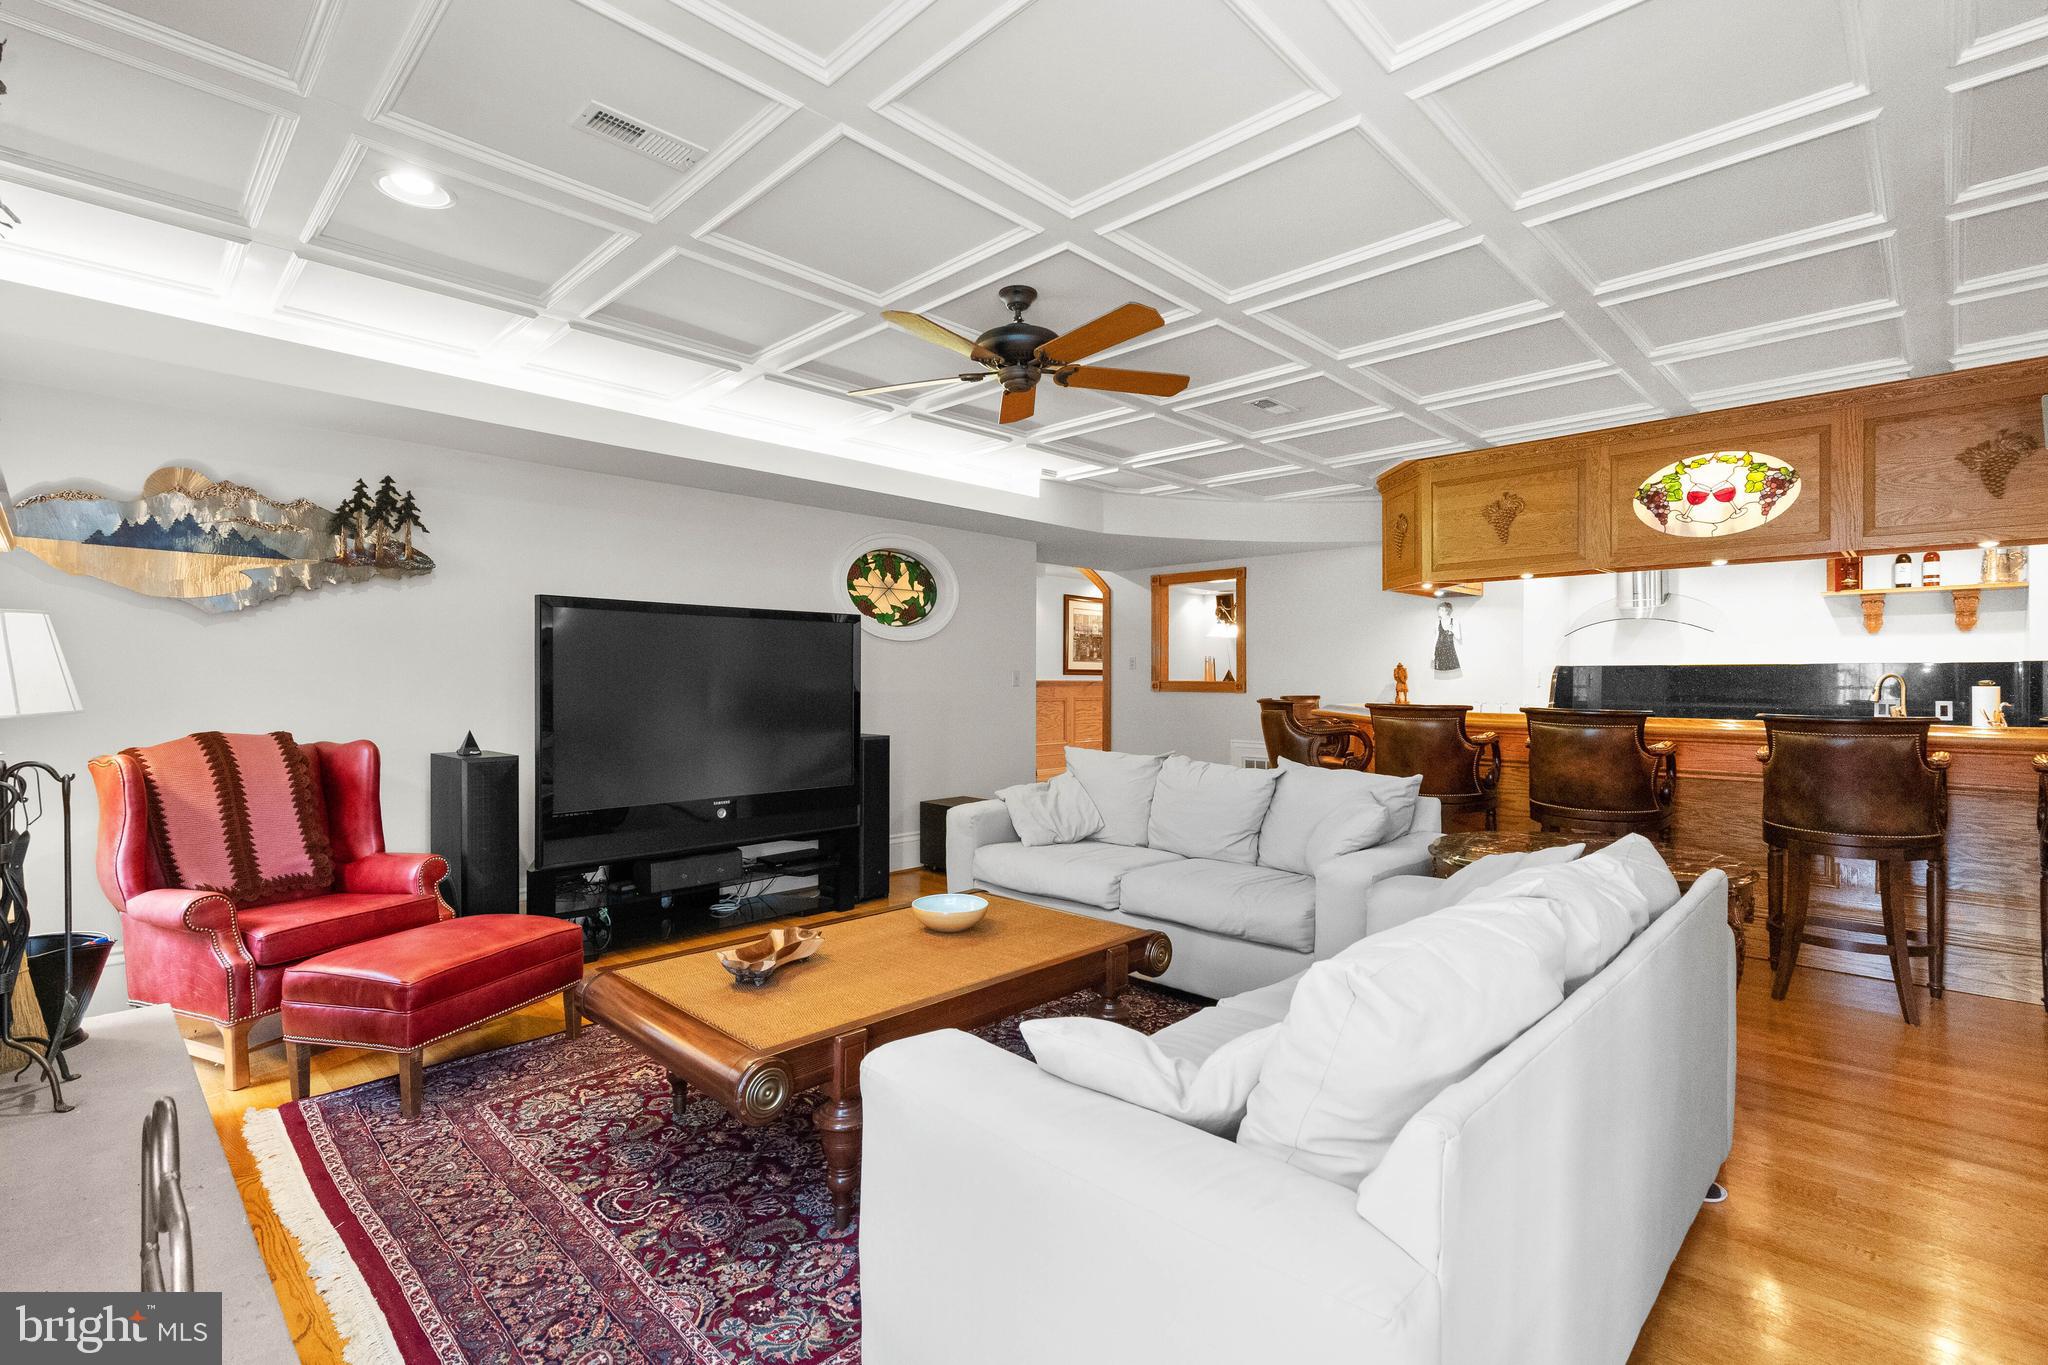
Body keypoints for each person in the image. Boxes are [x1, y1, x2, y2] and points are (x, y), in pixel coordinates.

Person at [1433, 600, 1462, 673]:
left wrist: (1452, 630)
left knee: (1452, 671)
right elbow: (1436, 638)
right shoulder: (1437, 622)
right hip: (1439, 650)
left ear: (1447, 611)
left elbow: (1458, 637)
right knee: (1440, 672)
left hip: (1450, 651)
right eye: (1439, 609)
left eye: (1441, 609)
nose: (1439, 611)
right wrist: (1433, 653)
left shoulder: (1454, 621)